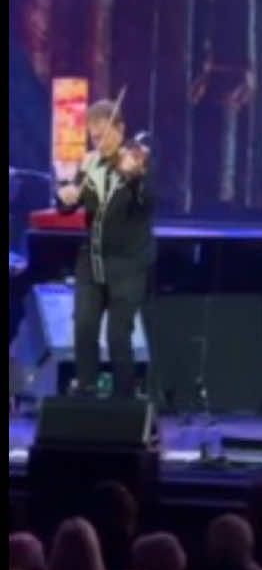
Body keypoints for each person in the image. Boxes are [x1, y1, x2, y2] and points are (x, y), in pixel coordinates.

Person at [55, 97, 154, 398]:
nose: (99, 142)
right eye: (94, 137)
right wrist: (66, 196)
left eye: (104, 135)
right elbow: (67, 208)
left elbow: (148, 203)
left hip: (128, 264)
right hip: (92, 261)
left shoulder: (138, 164)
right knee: (84, 327)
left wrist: (135, 177)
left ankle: (123, 400)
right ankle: (86, 390)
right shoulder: (89, 165)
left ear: (120, 129)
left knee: (117, 335)